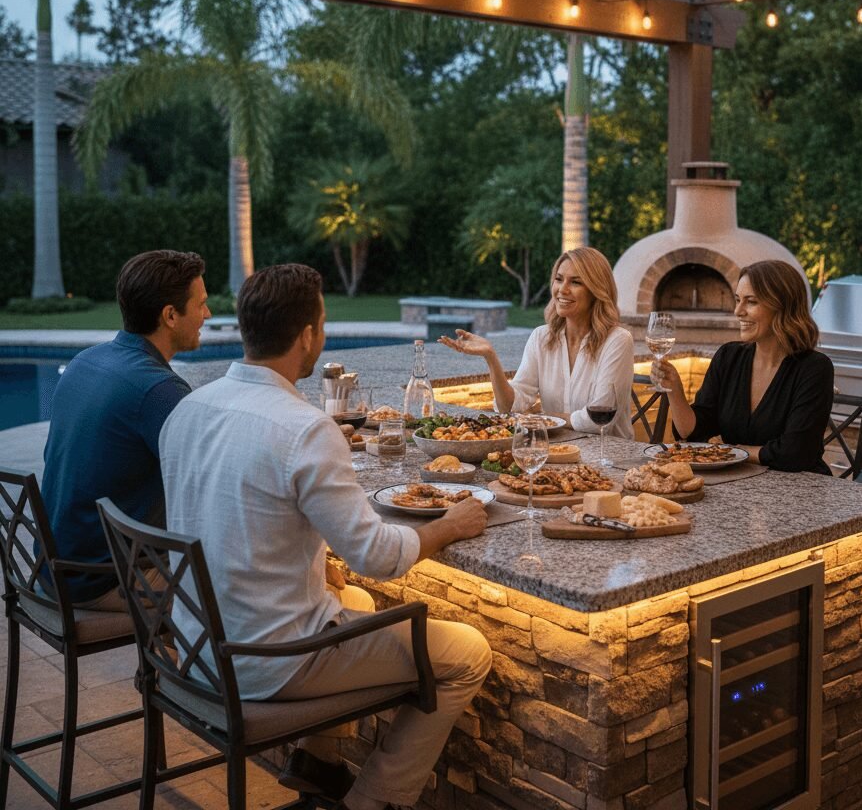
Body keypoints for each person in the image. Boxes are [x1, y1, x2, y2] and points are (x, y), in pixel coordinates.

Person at [159, 264, 491, 810]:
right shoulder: (304, 428)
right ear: (309, 334)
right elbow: (376, 555)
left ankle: (317, 761)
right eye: (323, 322)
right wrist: (448, 525)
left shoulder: (188, 408)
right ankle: (373, 801)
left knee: (350, 597)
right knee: (468, 652)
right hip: (268, 660)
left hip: (198, 647)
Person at [39, 249, 209, 608]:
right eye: (201, 305)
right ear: (170, 315)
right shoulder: (158, 390)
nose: (207, 315)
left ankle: (170, 662)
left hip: (52, 565)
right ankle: (203, 664)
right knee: (238, 578)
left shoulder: (87, 360)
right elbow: (211, 484)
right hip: (100, 579)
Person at [651, 259, 835, 474]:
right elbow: (693, 434)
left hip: (801, 491)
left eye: (751, 301)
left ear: (782, 306)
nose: (738, 311)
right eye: (738, 300)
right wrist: (675, 392)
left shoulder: (814, 368)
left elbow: (795, 453)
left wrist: (736, 451)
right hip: (740, 482)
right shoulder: (729, 356)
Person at [439, 247, 636, 439]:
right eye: (559, 279)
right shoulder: (541, 337)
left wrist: (543, 418)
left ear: (596, 290)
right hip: (556, 452)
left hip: (609, 456)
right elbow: (509, 406)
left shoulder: (617, 341)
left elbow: (597, 420)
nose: (562, 289)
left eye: (576, 282)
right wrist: (490, 357)